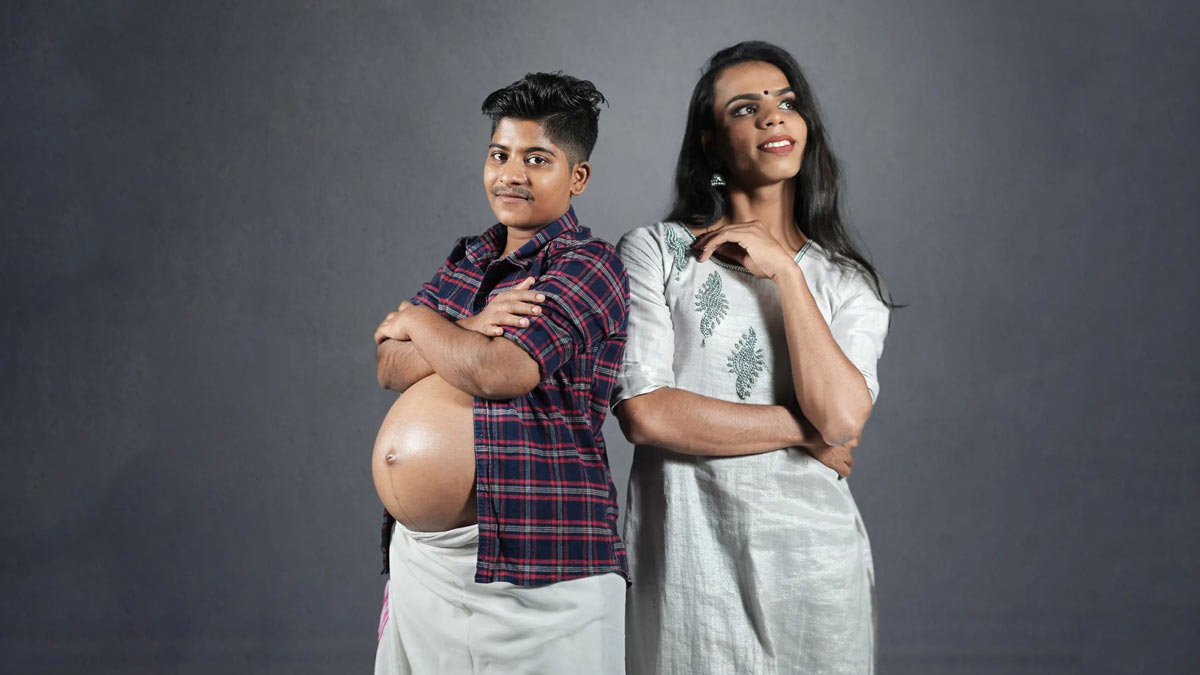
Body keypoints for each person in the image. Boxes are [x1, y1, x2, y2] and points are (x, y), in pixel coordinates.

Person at [613, 41, 893, 674]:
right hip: (688, 570)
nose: (772, 115)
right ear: (711, 143)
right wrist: (804, 431)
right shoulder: (658, 253)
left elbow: (841, 418)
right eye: (745, 108)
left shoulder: (848, 284)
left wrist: (786, 274)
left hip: (814, 570)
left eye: (786, 103)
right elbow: (647, 414)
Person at [370, 72, 628, 675]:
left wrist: (418, 319)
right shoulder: (469, 259)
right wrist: (472, 323)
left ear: (578, 177)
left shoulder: (589, 266)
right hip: (425, 564)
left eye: (536, 159)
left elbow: (500, 372)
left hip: (537, 567)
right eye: (499, 154)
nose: (511, 173)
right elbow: (389, 365)